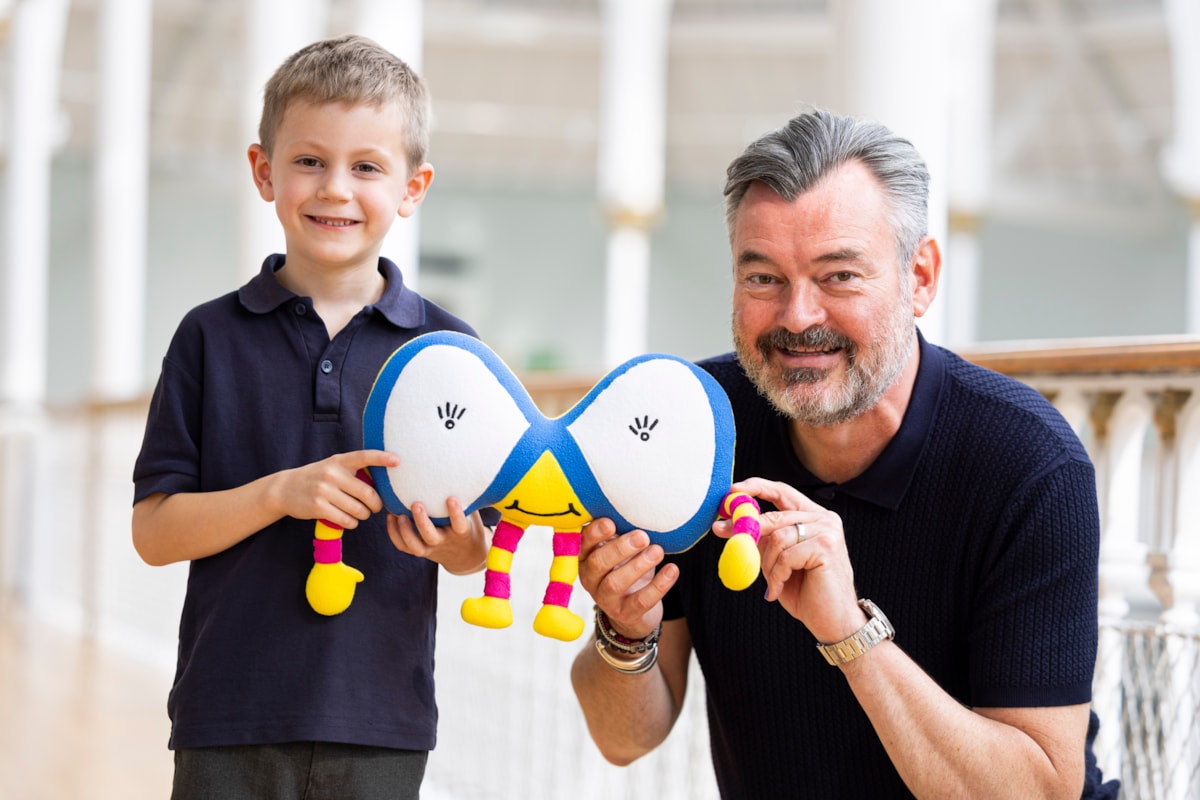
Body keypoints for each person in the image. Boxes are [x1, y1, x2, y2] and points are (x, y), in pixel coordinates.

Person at [571, 107, 1120, 799]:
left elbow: (1040, 792)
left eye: (839, 276)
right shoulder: (693, 424)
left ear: (919, 277)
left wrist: (848, 631)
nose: (798, 317)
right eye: (763, 278)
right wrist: (626, 631)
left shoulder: (1028, 465)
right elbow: (624, 739)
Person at [132, 35, 496, 800]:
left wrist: (458, 545)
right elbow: (154, 532)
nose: (335, 188)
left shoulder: (452, 353)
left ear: (412, 186)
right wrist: (279, 494)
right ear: (264, 171)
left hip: (381, 721)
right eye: (309, 161)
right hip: (225, 716)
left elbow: (476, 552)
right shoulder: (207, 336)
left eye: (367, 166)